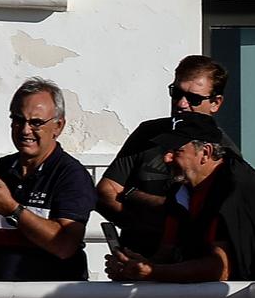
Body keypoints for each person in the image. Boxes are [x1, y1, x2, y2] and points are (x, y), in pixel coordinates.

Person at [103, 116, 255, 283]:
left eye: (176, 150)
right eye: (166, 150)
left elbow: (220, 270)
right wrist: (134, 266)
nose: (166, 158)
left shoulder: (233, 192)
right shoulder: (182, 188)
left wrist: (152, 272)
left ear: (206, 153)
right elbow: (167, 253)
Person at [97, 55, 231, 256]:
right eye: (176, 93)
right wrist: (155, 222)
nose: (182, 104)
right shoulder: (148, 133)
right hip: (134, 261)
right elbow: (106, 192)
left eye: (193, 98)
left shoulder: (224, 152)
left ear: (215, 103)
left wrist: (132, 195)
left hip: (187, 270)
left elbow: (206, 216)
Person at [0, 78, 95, 282]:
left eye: (36, 122)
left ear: (58, 126)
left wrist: (13, 210)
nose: (25, 130)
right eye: (18, 120)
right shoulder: (0, 169)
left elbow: (64, 245)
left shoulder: (71, 175)